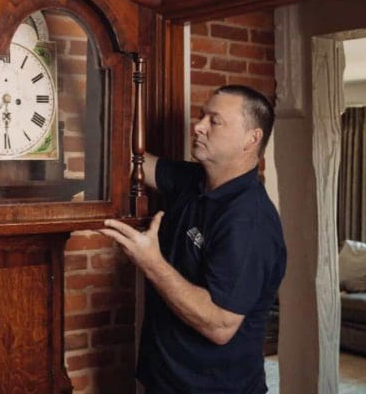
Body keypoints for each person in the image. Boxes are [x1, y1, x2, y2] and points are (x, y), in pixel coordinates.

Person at [101, 85, 286, 394]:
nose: (198, 126)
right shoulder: (194, 180)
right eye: (202, 117)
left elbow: (220, 325)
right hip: (164, 382)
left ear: (251, 138)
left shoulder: (249, 223)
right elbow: (133, 161)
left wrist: (152, 264)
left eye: (215, 120)